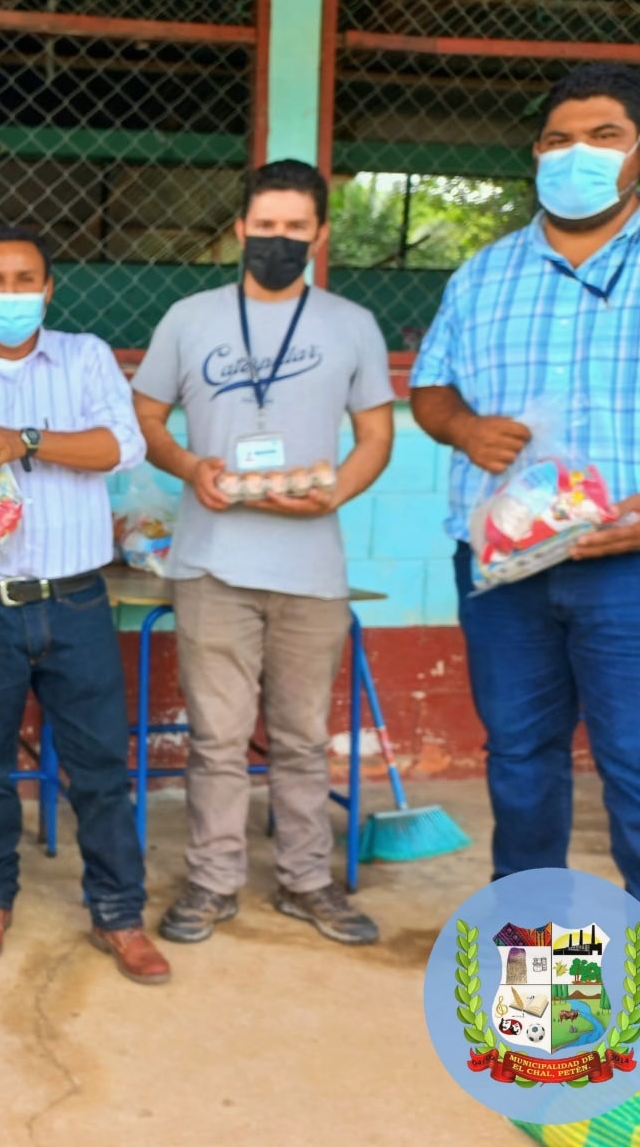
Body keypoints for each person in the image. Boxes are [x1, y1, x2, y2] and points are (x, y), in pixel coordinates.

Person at [411, 63, 640, 983]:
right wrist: (464, 426)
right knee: (520, 760)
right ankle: (539, 960)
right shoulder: (485, 272)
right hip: (508, 565)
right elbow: (432, 387)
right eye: (557, 140)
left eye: (600, 136)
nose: (575, 155)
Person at [134, 161, 394, 949]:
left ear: (318, 236)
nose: (277, 241)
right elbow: (146, 415)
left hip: (312, 570)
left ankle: (306, 881)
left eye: (295, 229)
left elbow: (376, 436)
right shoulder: (190, 317)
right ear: (240, 229)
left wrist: (336, 491)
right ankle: (212, 883)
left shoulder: (352, 324)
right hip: (212, 563)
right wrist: (190, 468)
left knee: (302, 738)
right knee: (215, 738)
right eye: (265, 226)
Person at [0, 226, 171, 985]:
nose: (10, 293)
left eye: (26, 280)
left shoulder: (86, 357)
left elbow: (123, 447)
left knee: (99, 768)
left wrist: (27, 440)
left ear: (49, 290)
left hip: (77, 601)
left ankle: (118, 912)